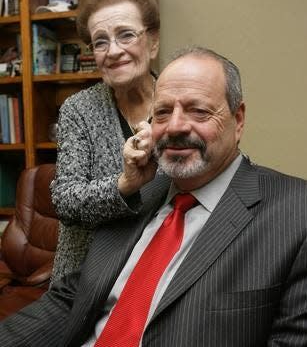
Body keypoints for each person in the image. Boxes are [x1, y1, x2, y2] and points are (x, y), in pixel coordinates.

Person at [1, 47, 307, 347]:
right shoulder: (137, 196)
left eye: (198, 110)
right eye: (162, 112)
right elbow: (74, 299)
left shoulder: (294, 214)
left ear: (237, 119)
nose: (174, 126)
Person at [49, 0, 160, 284]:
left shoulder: (180, 104)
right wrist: (124, 184)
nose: (113, 51)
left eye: (126, 35)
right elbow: (65, 202)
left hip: (156, 280)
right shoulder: (78, 110)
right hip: (82, 279)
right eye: (101, 41)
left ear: (152, 42)